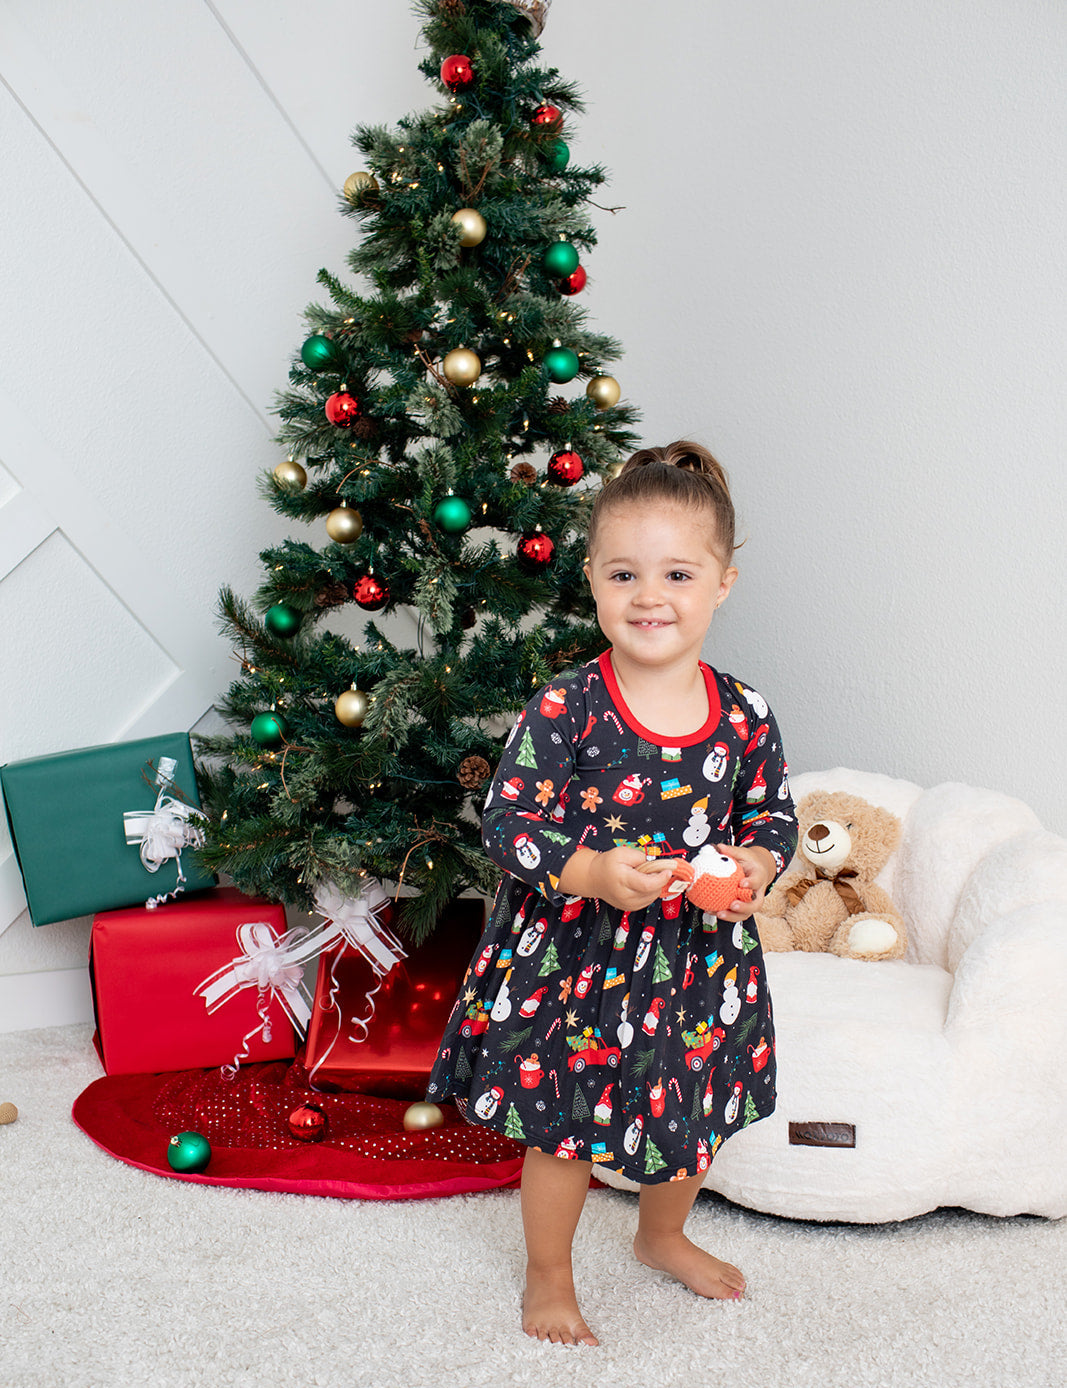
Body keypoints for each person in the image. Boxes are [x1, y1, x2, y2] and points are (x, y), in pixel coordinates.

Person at [427, 441, 797, 1346]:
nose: (648, 596)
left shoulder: (744, 712)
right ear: (590, 577)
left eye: (677, 573)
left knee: (689, 1108)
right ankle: (547, 1272)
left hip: (696, 962)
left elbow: (774, 816)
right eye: (623, 573)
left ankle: (660, 1235)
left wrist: (752, 866)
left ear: (722, 583)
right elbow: (508, 822)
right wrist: (589, 871)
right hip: (577, 962)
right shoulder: (567, 707)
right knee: (559, 1128)